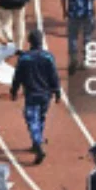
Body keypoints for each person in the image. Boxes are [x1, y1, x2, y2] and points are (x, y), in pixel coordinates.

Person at [11, 28, 62, 163]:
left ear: (29, 42)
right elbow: (54, 76)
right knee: (41, 117)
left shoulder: (24, 58)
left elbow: (18, 77)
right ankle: (36, 142)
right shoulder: (48, 57)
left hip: (32, 93)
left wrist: (14, 91)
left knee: (32, 120)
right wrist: (57, 92)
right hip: (46, 94)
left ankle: (38, 144)